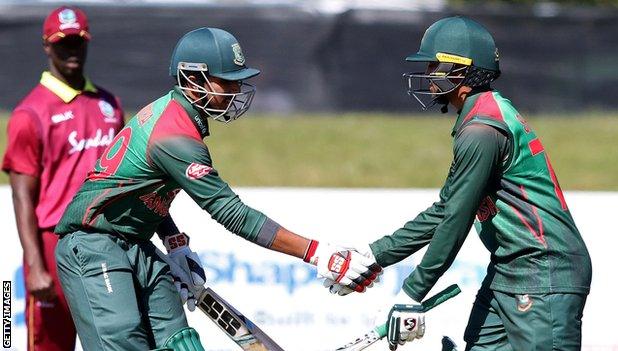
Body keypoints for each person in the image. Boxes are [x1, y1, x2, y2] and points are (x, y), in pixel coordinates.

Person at [53, 27, 380, 351]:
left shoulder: (174, 113)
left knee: (181, 343)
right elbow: (232, 213)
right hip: (92, 246)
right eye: (227, 79)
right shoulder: (175, 136)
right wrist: (318, 254)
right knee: (123, 342)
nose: (236, 88)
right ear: (193, 79)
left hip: (135, 241)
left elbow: (142, 190)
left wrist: (175, 243)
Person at [325, 16, 592, 351]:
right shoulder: (482, 114)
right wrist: (374, 256)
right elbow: (446, 209)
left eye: (437, 66)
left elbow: (456, 219)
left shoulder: (482, 131)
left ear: (464, 73)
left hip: (543, 274)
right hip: (512, 268)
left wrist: (411, 293)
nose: (428, 75)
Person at [1, 6, 125, 351]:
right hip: (53, 245)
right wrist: (35, 266)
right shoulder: (30, 113)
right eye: (62, 43)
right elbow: (22, 196)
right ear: (46, 46)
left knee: (115, 342)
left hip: (105, 241)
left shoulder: (110, 105)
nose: (71, 51)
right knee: (50, 346)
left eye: (78, 43)